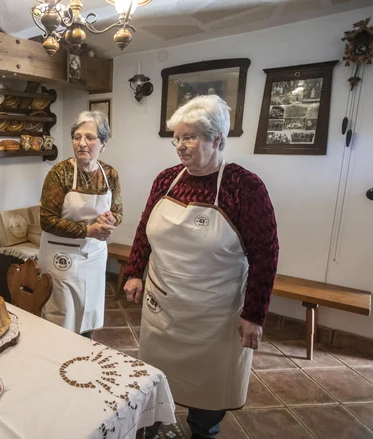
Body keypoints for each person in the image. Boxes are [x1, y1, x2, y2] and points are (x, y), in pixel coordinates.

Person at [124, 95, 279, 438]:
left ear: (218, 140)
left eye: (189, 137)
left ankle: (202, 430)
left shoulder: (245, 188)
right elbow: (143, 230)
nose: (180, 146)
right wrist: (135, 271)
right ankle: (150, 427)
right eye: (177, 138)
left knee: (207, 396)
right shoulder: (166, 179)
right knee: (154, 380)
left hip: (214, 318)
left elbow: (265, 254)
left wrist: (254, 314)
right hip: (161, 308)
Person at [39, 111, 122, 339]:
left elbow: (118, 211)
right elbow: (46, 221)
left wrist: (111, 220)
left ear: (103, 144)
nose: (81, 143)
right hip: (61, 257)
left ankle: (84, 359)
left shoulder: (110, 174)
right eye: (76, 137)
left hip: (94, 256)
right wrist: (89, 230)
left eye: (90, 138)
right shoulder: (59, 173)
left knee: (88, 313)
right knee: (61, 316)